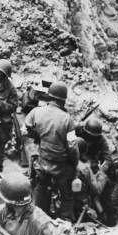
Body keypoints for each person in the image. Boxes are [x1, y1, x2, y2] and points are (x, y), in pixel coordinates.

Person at [25, 81, 77, 221]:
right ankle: (65, 221)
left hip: (42, 162)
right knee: (67, 194)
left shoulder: (36, 112)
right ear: (63, 100)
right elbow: (72, 146)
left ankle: (39, 219)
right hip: (61, 166)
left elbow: (26, 129)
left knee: (41, 189)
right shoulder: (67, 119)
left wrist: (37, 137)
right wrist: (74, 162)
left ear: (50, 96)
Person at [74, 116, 116, 225]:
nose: (90, 140)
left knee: (101, 188)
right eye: (89, 136)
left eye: (93, 137)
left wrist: (100, 172)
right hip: (76, 159)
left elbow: (108, 159)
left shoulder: (101, 140)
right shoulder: (77, 130)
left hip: (92, 164)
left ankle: (107, 214)